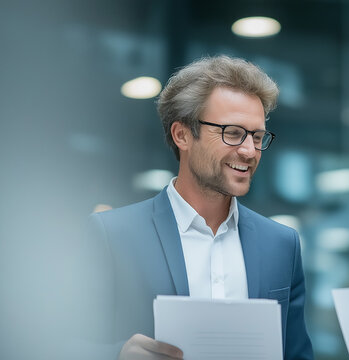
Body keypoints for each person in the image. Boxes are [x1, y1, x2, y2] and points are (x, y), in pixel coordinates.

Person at [88, 56, 313, 360]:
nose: (249, 151)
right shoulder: (111, 235)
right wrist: (116, 355)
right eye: (232, 133)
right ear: (182, 135)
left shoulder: (282, 245)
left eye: (257, 137)